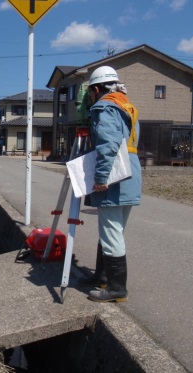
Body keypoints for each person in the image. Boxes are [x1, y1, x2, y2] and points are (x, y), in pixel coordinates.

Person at [81, 65, 142, 302]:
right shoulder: (126, 106)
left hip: (115, 176)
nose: (91, 97)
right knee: (112, 230)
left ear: (97, 89)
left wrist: (101, 177)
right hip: (131, 173)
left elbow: (108, 144)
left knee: (111, 231)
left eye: (90, 92)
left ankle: (117, 288)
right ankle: (102, 278)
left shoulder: (104, 107)